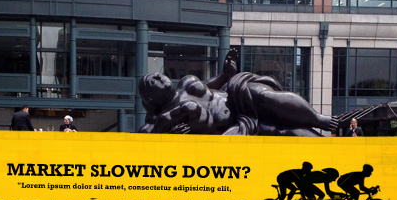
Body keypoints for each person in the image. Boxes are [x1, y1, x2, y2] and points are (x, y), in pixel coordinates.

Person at [138, 48, 335, 136]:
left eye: (157, 75)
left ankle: (320, 120)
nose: (160, 78)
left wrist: (226, 73)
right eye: (153, 82)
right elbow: (143, 139)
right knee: (279, 130)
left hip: (235, 97)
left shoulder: (186, 82)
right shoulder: (162, 120)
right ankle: (324, 144)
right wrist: (167, 137)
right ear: (150, 97)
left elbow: (214, 83)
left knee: (265, 97)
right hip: (234, 127)